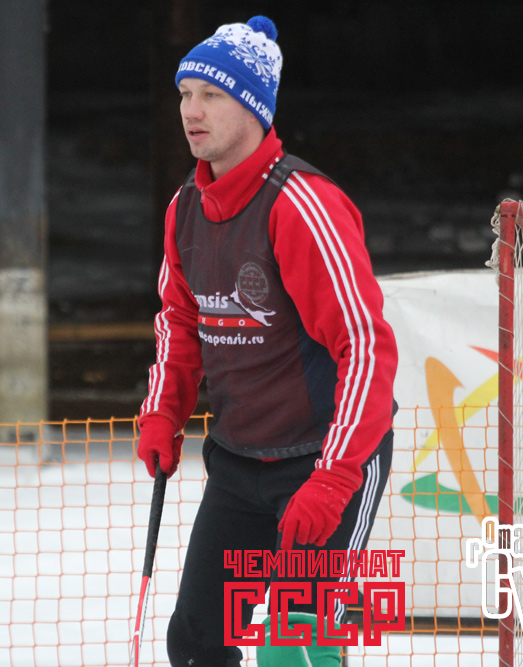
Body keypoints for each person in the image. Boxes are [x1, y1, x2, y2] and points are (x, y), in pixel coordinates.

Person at [136, 15, 399, 667]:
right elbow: (179, 322)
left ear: (254, 107)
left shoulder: (302, 206)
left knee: (294, 647)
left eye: (211, 95)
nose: (191, 111)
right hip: (238, 461)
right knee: (196, 642)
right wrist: (163, 412)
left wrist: (333, 478)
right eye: (184, 94)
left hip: (323, 460)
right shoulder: (185, 208)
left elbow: (366, 347)